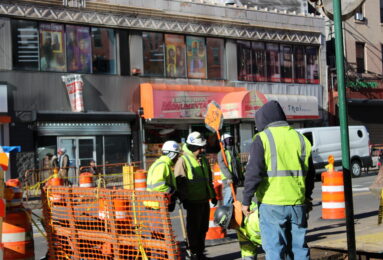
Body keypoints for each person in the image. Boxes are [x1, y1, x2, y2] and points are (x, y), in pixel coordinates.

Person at [241, 100, 315, 260]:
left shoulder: (262, 138)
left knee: (275, 252)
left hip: (271, 204)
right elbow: (309, 174)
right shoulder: (301, 139)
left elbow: (253, 172)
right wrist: (307, 197)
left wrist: (246, 200)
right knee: (299, 250)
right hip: (297, 203)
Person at [174, 131, 217, 260]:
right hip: (192, 201)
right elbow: (179, 182)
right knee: (193, 229)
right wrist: (184, 198)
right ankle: (193, 253)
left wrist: (212, 195)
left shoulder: (202, 159)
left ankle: (200, 253)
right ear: (192, 147)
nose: (202, 149)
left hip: (204, 200)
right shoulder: (183, 160)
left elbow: (208, 179)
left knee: (203, 228)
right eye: (200, 147)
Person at [146, 140, 181, 212]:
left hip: (157, 204)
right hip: (156, 206)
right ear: (172, 154)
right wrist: (172, 191)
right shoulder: (162, 166)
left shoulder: (163, 164)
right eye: (177, 155)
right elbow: (158, 185)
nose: (177, 158)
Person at [217, 133, 244, 205]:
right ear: (224, 141)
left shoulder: (234, 152)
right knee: (229, 197)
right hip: (228, 179)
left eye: (231, 139)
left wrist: (241, 177)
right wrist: (229, 176)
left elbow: (237, 166)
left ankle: (231, 213)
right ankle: (226, 211)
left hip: (235, 178)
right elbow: (222, 166)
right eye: (229, 139)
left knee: (233, 197)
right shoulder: (222, 153)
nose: (231, 141)